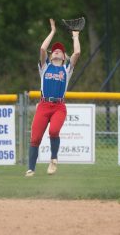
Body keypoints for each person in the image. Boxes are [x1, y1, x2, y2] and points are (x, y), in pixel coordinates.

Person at [25, 18, 81, 177]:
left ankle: (53, 159)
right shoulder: (45, 67)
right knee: (35, 138)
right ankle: (31, 169)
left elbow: (77, 53)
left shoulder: (66, 69)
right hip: (43, 105)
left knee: (54, 130)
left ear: (64, 57)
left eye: (60, 50)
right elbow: (43, 48)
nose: (56, 50)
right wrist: (53, 31)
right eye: (54, 50)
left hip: (58, 107)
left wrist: (75, 36)